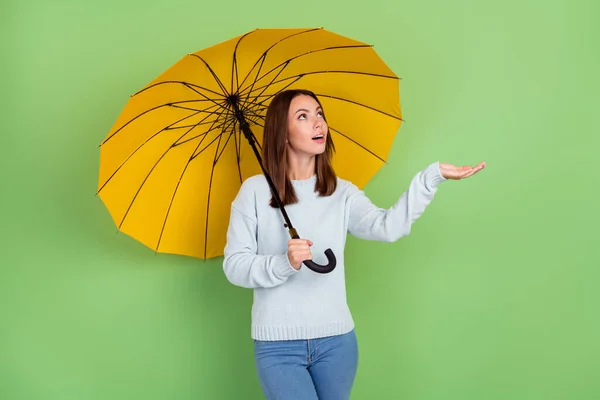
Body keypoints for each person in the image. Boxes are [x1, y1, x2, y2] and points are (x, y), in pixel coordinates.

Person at [222, 89, 485, 399]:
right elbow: (234, 265)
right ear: (282, 133)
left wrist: (430, 178)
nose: (318, 123)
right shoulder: (253, 192)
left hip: (337, 343)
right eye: (303, 116)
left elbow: (388, 227)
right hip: (278, 348)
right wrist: (284, 263)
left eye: (319, 114)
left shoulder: (341, 192)